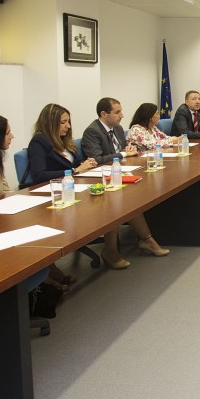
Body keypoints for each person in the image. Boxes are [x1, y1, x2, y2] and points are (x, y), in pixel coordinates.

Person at [27, 103, 130, 282]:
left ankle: (111, 251)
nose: (68, 126)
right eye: (63, 122)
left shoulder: (64, 141)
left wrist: (87, 163)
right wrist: (75, 170)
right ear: (50, 123)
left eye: (68, 122)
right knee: (108, 206)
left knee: (112, 203)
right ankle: (50, 269)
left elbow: (75, 163)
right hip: (52, 196)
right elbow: (39, 175)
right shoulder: (39, 142)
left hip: (74, 188)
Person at [82, 97, 171, 265]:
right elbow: (98, 158)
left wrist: (128, 149)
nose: (122, 115)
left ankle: (147, 239)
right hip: (101, 178)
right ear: (103, 114)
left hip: (120, 172)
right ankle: (112, 251)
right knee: (119, 204)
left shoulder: (117, 128)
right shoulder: (92, 131)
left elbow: (123, 149)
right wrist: (124, 154)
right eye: (117, 112)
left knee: (135, 199)